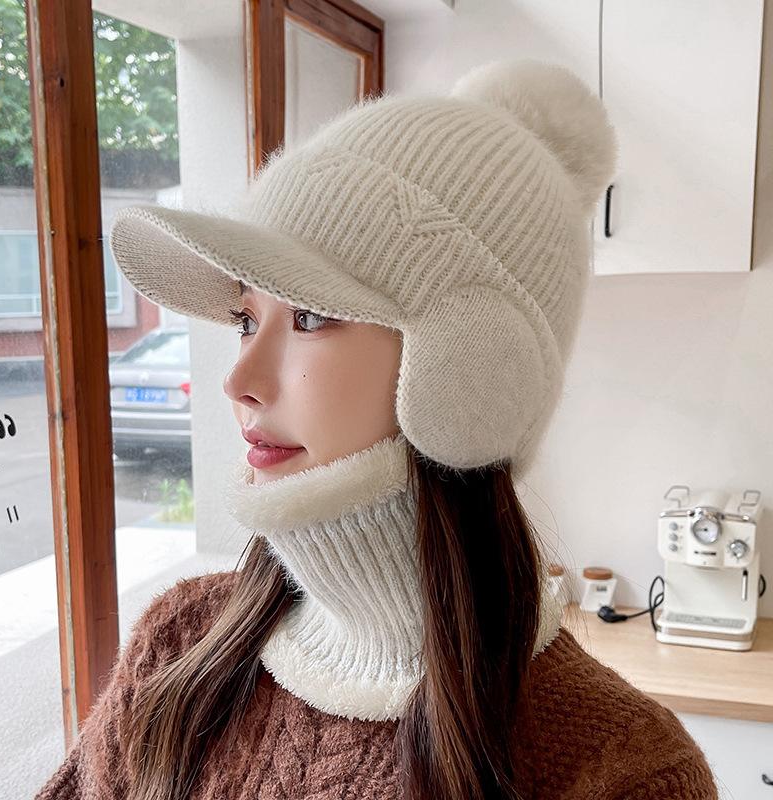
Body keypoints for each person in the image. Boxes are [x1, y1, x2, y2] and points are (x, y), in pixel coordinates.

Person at [35, 59, 719, 800]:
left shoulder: (624, 771)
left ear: (471, 371)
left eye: (310, 316)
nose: (238, 382)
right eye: (246, 319)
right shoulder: (178, 648)